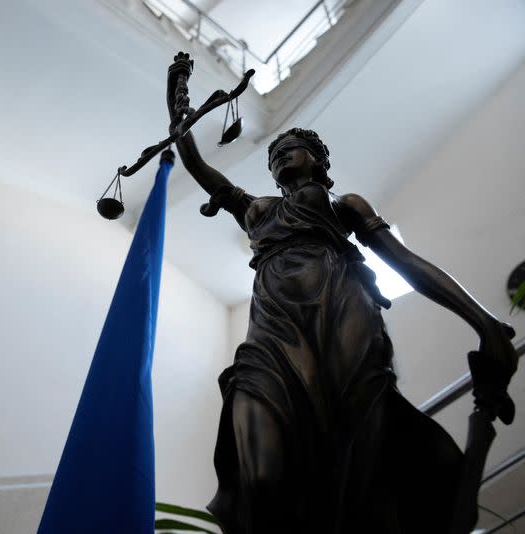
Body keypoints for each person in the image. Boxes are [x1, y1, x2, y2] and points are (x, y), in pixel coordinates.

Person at [166, 52, 518, 533]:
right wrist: (178, 105)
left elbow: (408, 264)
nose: (280, 154)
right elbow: (197, 163)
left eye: (291, 146)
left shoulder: (344, 205)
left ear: (319, 160)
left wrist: (484, 322)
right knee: (262, 480)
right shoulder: (256, 212)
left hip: (341, 322)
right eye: (274, 153)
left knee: (359, 467)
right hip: (271, 338)